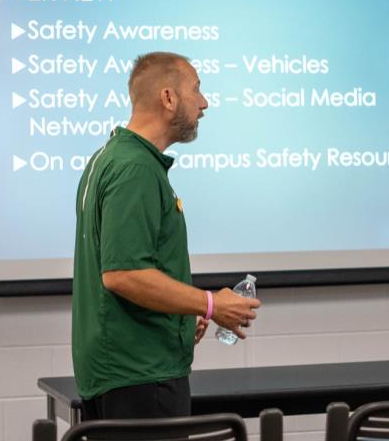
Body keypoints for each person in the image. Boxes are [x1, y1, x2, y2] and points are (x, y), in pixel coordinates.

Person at [71, 51, 261, 419]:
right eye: (197, 89)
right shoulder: (134, 168)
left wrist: (178, 320)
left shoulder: (110, 159)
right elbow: (123, 274)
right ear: (168, 97)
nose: (204, 103)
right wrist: (211, 304)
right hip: (140, 378)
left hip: (128, 371)